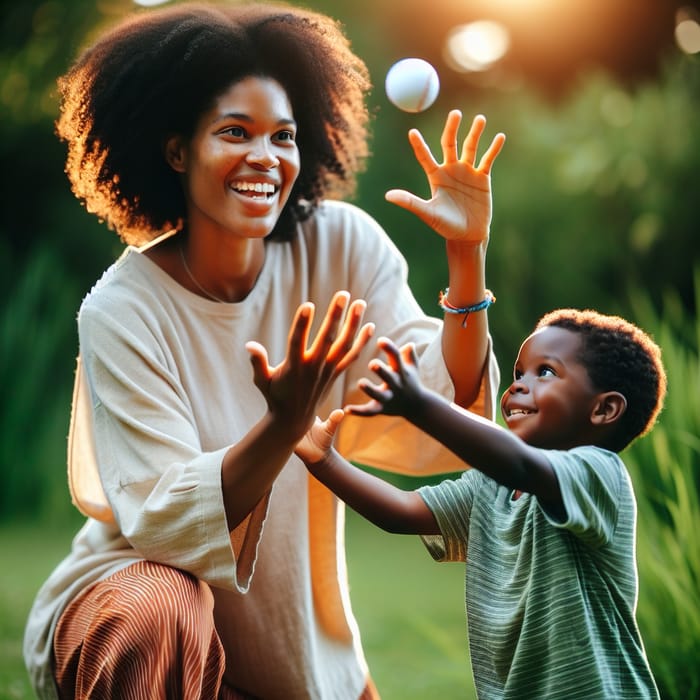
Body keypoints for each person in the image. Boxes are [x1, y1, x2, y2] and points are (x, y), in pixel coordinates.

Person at [23, 2, 507, 699]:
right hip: (132, 608)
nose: (266, 158)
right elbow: (163, 525)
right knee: (163, 608)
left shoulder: (341, 244)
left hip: (291, 638)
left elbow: (436, 398)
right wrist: (283, 424)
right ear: (175, 150)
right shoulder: (121, 310)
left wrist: (467, 259)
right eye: (235, 132)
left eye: (283, 136)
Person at [296, 309, 666, 699]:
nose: (518, 387)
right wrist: (323, 459)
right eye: (518, 373)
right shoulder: (493, 487)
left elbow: (521, 464)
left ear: (603, 409)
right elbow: (402, 512)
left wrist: (420, 405)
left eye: (545, 373)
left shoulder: (600, 474)